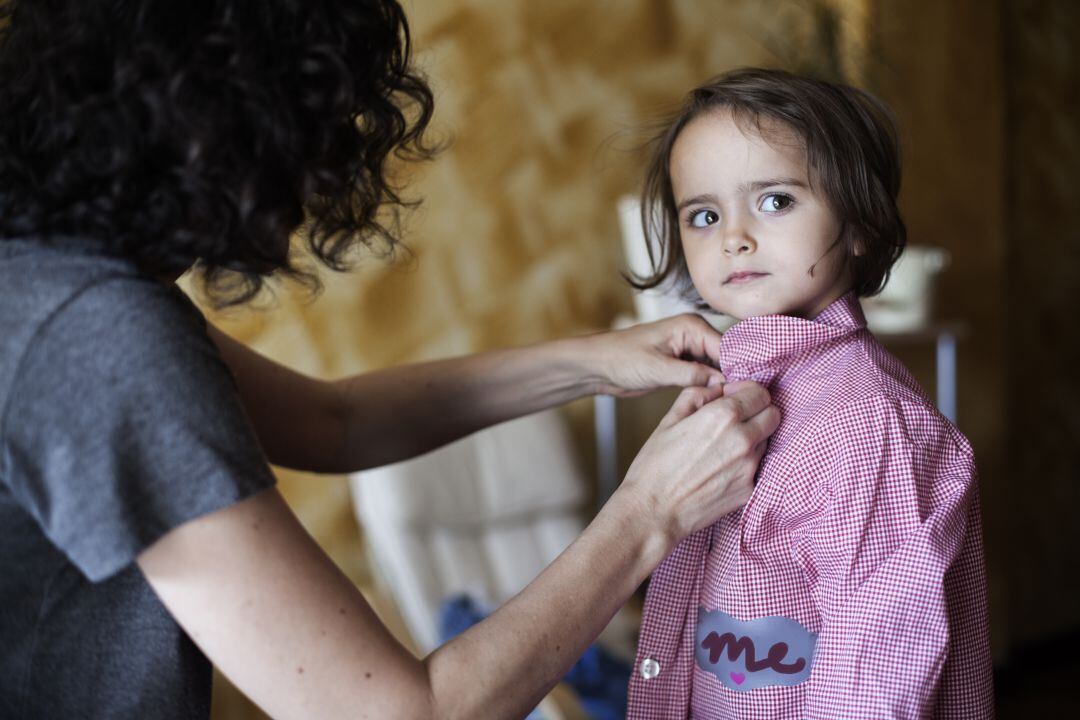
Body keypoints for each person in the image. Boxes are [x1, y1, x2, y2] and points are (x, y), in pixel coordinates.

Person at [0, 3, 782, 719]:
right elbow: (406, 714)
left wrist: (593, 363)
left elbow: (336, 423)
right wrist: (651, 511)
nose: (310, 193)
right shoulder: (95, 336)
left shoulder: (43, 280)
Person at [624, 68, 993, 718]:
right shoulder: (736, 390)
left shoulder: (868, 427)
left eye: (774, 201)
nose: (733, 237)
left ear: (859, 224)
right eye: (704, 215)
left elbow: (879, 679)